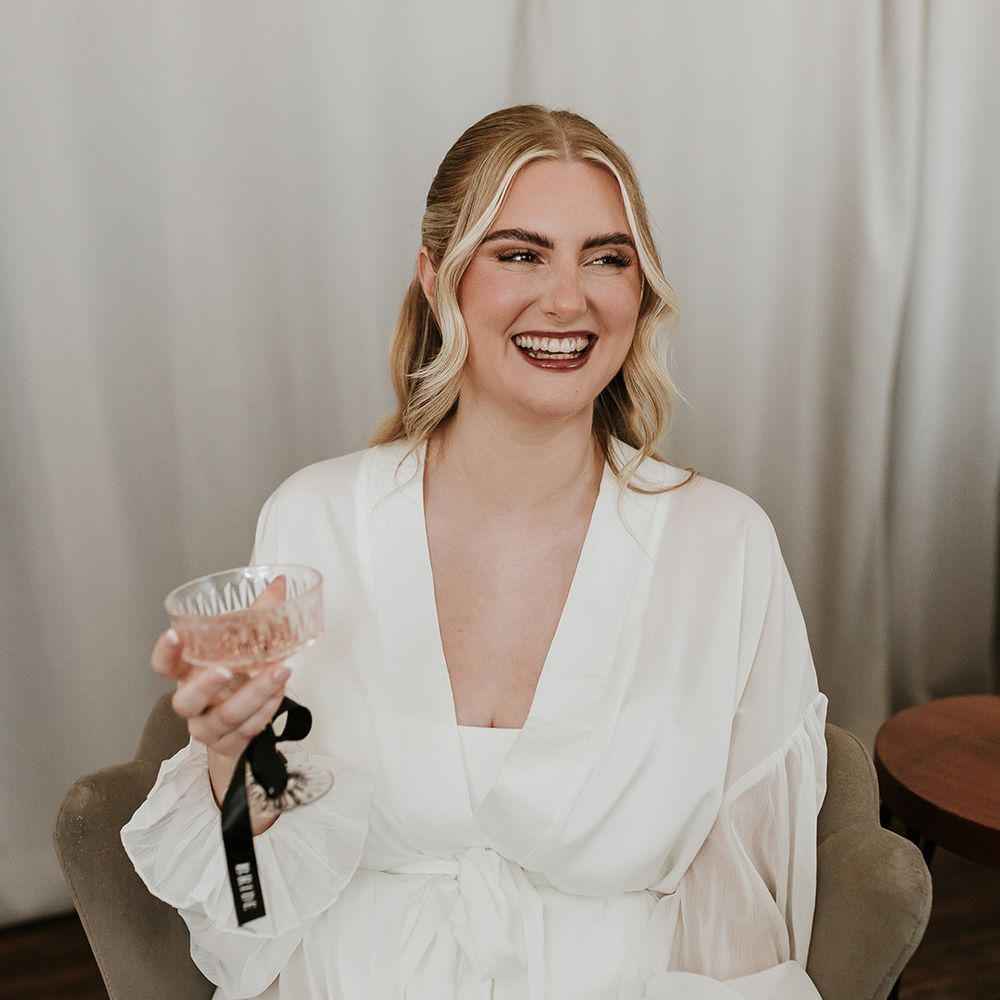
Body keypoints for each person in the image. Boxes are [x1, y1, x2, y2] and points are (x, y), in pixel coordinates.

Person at [123, 105, 827, 999]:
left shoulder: (725, 547)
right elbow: (252, 903)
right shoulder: (316, 521)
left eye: (606, 257)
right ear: (436, 277)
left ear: (641, 289)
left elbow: (740, 905)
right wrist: (231, 761)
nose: (568, 299)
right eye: (520, 253)